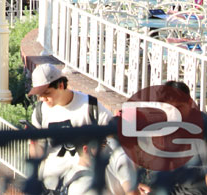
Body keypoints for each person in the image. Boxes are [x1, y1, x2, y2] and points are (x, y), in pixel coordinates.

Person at [28, 63, 135, 193]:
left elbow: (113, 141)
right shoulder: (40, 112)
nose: (42, 98)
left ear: (60, 85)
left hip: (84, 183)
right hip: (52, 185)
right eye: (39, 95)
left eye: (46, 93)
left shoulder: (90, 106)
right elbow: (37, 152)